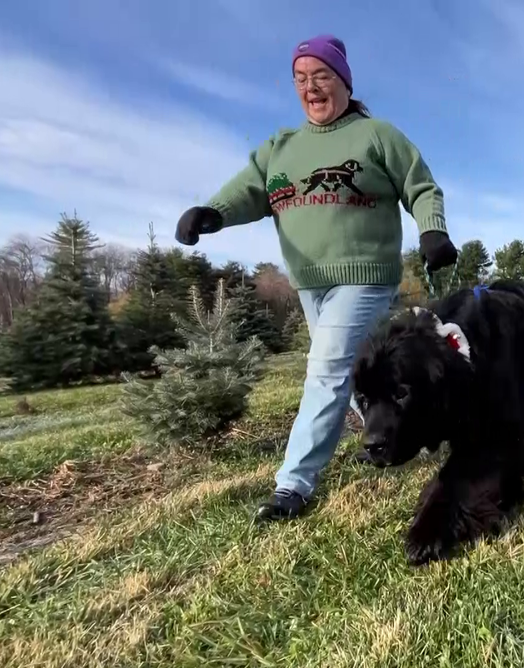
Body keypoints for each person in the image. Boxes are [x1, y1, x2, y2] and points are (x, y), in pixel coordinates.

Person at [174, 34, 457, 522]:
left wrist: (432, 232)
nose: (311, 87)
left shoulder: (375, 135)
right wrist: (211, 213)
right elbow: (248, 191)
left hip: (366, 276)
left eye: (321, 76)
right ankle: (398, 436)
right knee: (354, 374)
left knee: (326, 368)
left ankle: (293, 486)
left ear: (344, 81)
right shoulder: (281, 148)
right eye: (301, 79)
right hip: (310, 283)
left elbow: (421, 185)